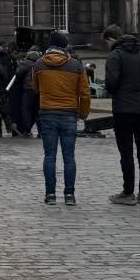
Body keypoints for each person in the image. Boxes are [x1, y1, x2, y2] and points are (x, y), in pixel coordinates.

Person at [103, 25, 140, 205]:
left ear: (111, 39)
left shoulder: (115, 55)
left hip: (122, 109)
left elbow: (111, 83)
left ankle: (128, 193)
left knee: (126, 151)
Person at [33, 31, 90, 206]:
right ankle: (69, 195)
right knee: (69, 156)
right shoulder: (76, 66)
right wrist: (82, 113)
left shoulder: (39, 64)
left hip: (48, 112)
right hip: (69, 114)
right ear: (64, 46)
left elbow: (35, 88)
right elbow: (85, 94)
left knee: (49, 155)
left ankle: (50, 194)